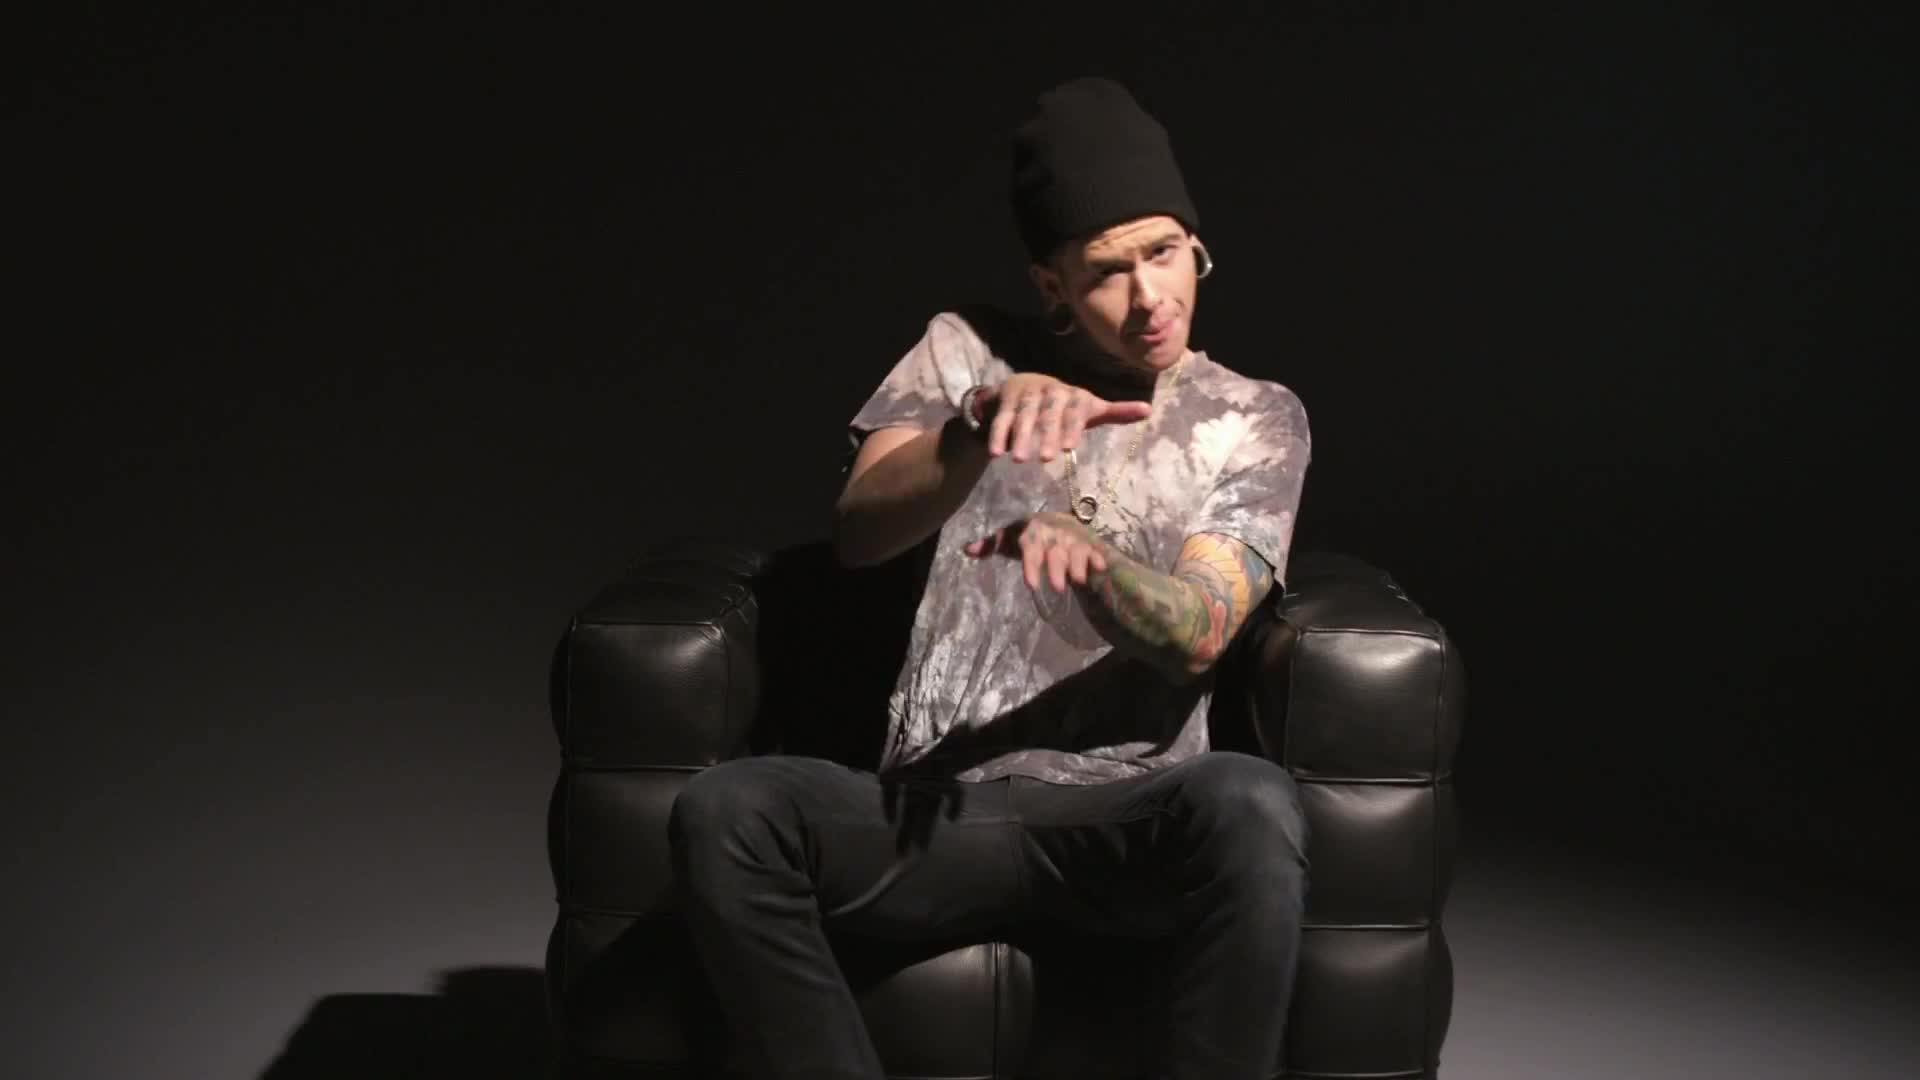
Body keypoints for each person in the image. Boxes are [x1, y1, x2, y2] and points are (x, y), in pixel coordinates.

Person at [668, 76, 1313, 1080]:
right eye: (1108, 273)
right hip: (935, 812)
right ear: (1052, 286)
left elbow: (1199, 631)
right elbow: (860, 532)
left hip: (1123, 817)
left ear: (1195, 243)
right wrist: (973, 428)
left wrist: (1100, 571)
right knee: (728, 812)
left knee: (1251, 802)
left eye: (1163, 253)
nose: (1150, 297)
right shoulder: (965, 349)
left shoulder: (1253, 415)